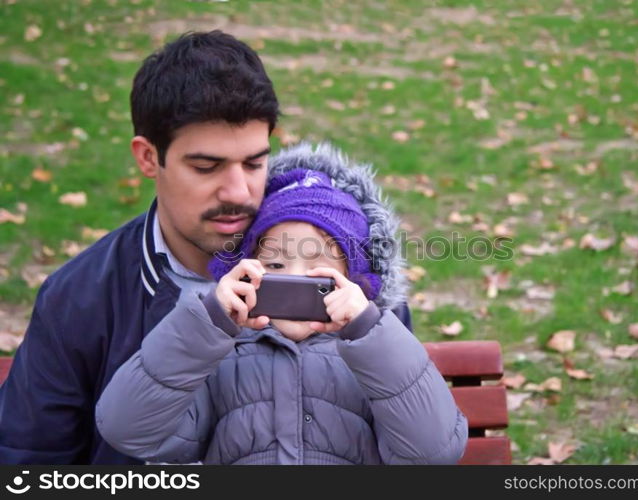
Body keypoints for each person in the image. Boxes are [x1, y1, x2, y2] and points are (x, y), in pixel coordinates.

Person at [0, 31, 412, 464]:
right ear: (147, 157)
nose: (238, 191)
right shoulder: (80, 298)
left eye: (254, 162)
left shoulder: (348, 268)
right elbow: (29, 464)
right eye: (206, 166)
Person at [95, 162, 467, 464]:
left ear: (355, 280)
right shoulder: (221, 354)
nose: (294, 279)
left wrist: (367, 330)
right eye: (274, 264)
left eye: (319, 267)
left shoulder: (370, 356)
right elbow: (128, 429)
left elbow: (432, 452)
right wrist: (207, 324)